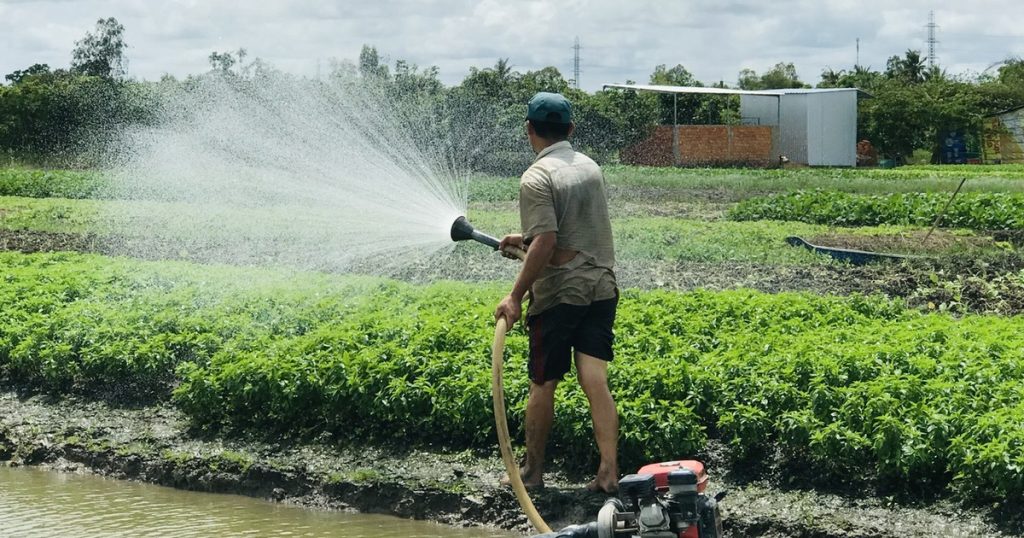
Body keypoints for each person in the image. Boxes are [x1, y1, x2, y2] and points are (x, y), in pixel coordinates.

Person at [494, 91, 619, 494]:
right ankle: (609, 472)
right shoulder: (589, 167)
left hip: (561, 295)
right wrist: (525, 238)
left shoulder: (536, 177)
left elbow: (548, 243)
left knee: (543, 381)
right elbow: (567, 232)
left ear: (529, 129)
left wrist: (515, 296)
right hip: (601, 287)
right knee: (594, 379)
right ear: (570, 129)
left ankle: (532, 473)